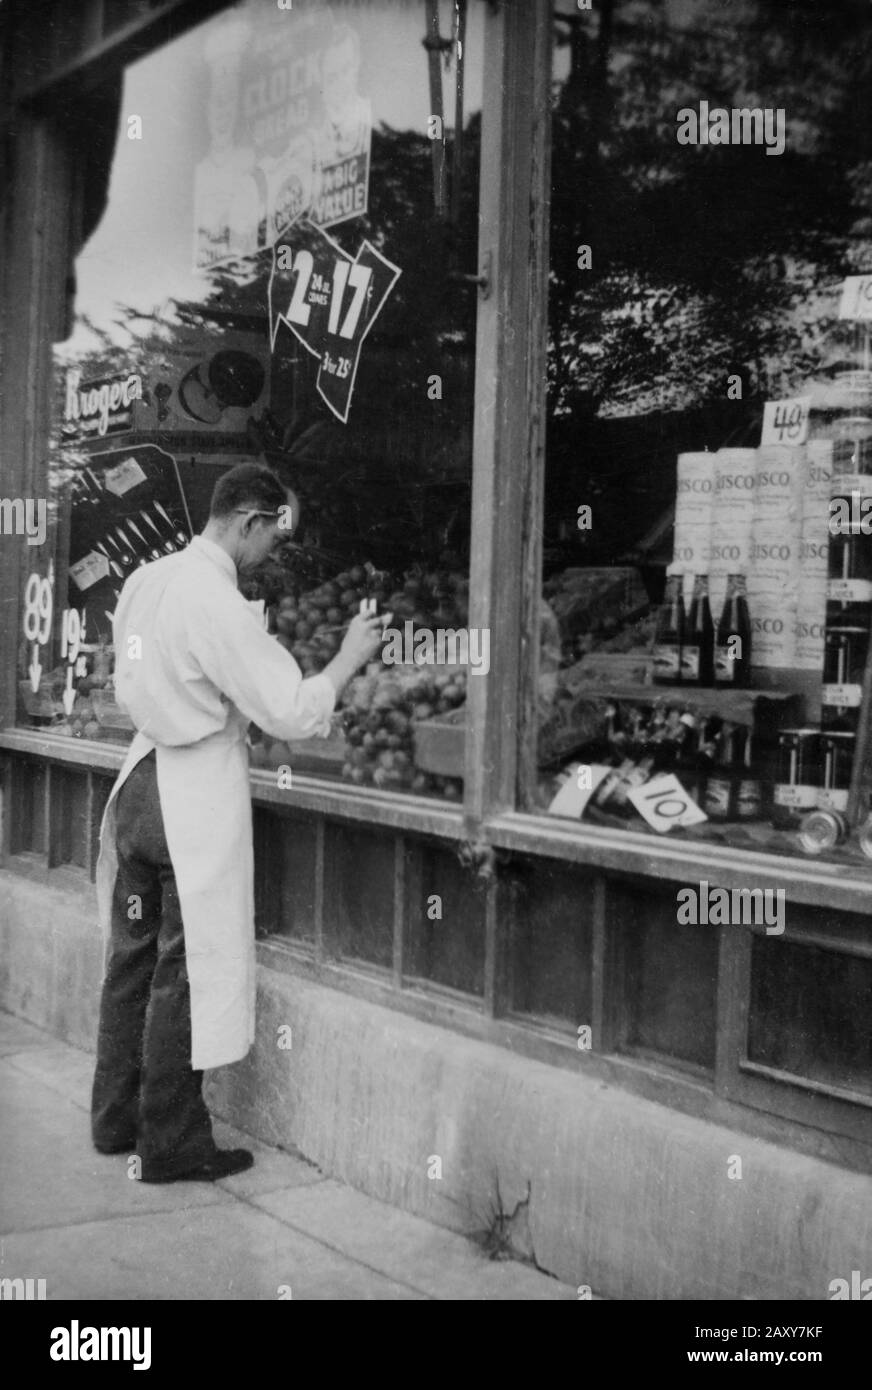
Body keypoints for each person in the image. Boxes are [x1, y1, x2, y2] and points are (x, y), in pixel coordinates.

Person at [91, 463, 386, 1182]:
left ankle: (115, 1119)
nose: (275, 553)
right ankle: (171, 1144)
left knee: (131, 960)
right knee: (182, 973)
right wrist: (348, 658)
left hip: (139, 784)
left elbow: (132, 678)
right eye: (275, 536)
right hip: (189, 796)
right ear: (251, 519)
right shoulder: (214, 602)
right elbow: (290, 708)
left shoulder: (148, 580)